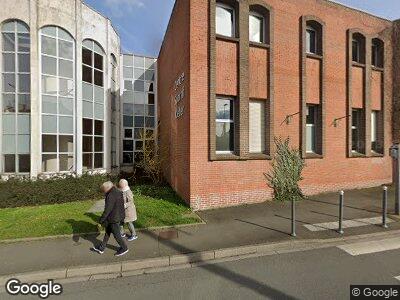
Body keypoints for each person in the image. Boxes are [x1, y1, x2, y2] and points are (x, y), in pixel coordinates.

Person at [92, 181, 129, 257]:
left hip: (114, 219)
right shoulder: (117, 191)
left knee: (117, 235)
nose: (103, 191)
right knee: (107, 233)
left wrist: (101, 220)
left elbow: (107, 209)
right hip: (116, 216)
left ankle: (124, 248)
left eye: (104, 189)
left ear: (108, 188)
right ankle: (102, 248)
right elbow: (121, 205)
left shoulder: (111, 195)